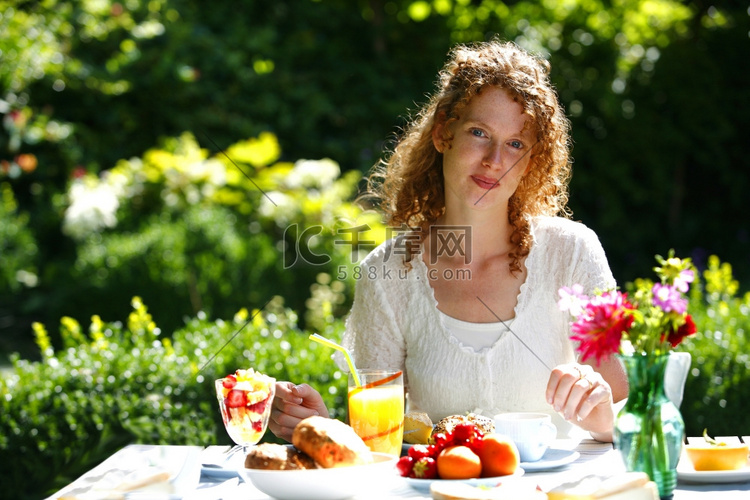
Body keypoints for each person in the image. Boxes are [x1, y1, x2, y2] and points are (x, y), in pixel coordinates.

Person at [269, 39, 627, 444]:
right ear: (443, 133)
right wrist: (323, 426)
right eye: (479, 132)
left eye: (515, 144)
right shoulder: (387, 273)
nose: (495, 160)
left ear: (530, 160)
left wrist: (601, 415)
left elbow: (629, 413)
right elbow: (378, 437)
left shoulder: (571, 252)